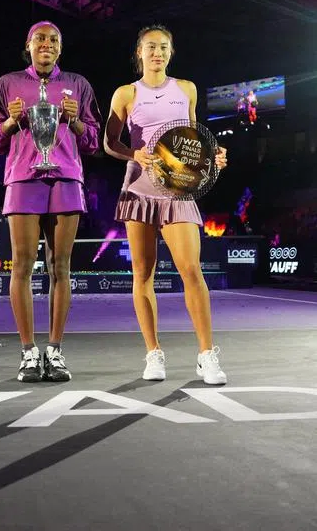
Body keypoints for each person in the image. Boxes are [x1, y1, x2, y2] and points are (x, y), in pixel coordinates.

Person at [104, 25, 228, 384]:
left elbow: (193, 140)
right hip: (140, 191)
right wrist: (134, 153)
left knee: (191, 269)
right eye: (150, 47)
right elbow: (109, 141)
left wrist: (213, 158)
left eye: (163, 47)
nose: (157, 52)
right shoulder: (126, 93)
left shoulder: (186, 89)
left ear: (170, 53)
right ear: (139, 53)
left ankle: (207, 355)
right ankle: (153, 354)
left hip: (178, 192)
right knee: (143, 274)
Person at [0, 20, 101, 382]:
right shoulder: (8, 84)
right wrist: (10, 122)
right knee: (21, 265)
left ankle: (56, 350)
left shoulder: (78, 85)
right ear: (28, 45)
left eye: (53, 40)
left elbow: (94, 140)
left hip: (65, 177)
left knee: (60, 266)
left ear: (60, 49)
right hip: (22, 177)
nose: (46, 44)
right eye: (40, 39)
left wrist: (76, 121)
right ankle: (28, 353)